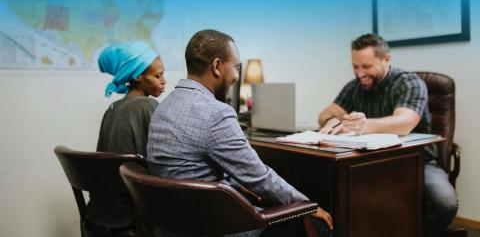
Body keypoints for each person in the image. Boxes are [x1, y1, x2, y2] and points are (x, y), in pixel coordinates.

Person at [147, 29, 332, 237]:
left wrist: (238, 184)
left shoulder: (162, 107)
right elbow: (260, 177)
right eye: (235, 67)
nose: (236, 75)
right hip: (212, 228)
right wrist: (308, 205)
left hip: (172, 227)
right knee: (317, 224)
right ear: (217, 66)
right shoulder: (216, 113)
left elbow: (191, 168)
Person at [318, 34, 458, 237]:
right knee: (331, 192)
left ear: (387, 59)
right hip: (368, 163)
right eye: (355, 67)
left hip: (417, 162)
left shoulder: (410, 83)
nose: (359, 74)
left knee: (444, 203)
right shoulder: (355, 86)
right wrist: (332, 120)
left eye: (366, 66)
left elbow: (405, 123)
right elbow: (324, 115)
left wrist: (365, 125)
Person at [87, 41, 166, 237]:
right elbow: (164, 159)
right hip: (133, 213)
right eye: (158, 76)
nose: (164, 81)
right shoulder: (148, 105)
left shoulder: (111, 109)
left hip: (101, 211)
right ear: (138, 76)